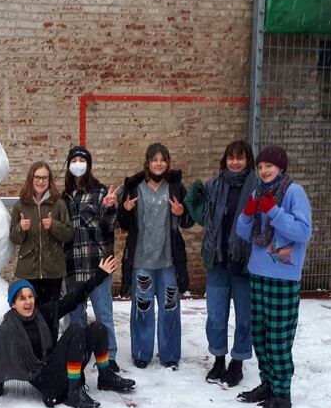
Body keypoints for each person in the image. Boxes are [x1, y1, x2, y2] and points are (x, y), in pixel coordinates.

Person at [0, 256, 135, 408]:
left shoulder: (42, 314)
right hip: (47, 383)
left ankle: (105, 377)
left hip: (58, 367)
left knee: (98, 328)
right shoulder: (8, 328)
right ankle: (73, 392)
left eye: (30, 297)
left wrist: (99, 275)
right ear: (13, 304)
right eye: (21, 299)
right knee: (75, 330)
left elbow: (73, 298)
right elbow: (1, 359)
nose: (28, 302)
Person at [235, 145, 312, 408]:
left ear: (281, 167)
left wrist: (274, 212)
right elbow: (244, 232)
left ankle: (282, 393)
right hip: (258, 272)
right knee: (261, 334)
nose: (264, 171)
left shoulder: (293, 192)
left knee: (278, 337)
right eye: (260, 167)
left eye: (269, 166)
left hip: (283, 273)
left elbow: (303, 231)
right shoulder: (259, 192)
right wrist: (247, 213)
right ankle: (267, 383)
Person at [184, 140, 256, 387]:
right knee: (215, 316)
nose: (235, 162)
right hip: (217, 260)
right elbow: (202, 217)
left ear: (248, 160)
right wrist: (192, 199)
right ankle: (218, 359)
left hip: (244, 263)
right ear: (225, 160)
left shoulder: (256, 187)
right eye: (231, 157)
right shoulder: (213, 185)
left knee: (245, 318)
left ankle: (237, 363)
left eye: (241, 157)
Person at [118, 143, 195, 370]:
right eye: (154, 159)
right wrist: (125, 209)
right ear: (147, 162)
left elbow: (189, 220)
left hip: (168, 261)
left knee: (170, 306)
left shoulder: (176, 187)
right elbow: (122, 224)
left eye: (163, 159)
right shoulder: (134, 188)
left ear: (168, 163)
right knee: (142, 306)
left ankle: (170, 354)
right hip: (141, 260)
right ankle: (142, 353)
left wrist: (181, 213)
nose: (158, 163)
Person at [62, 146, 121, 371]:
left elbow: (110, 226)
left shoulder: (100, 192)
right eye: (74, 160)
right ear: (68, 165)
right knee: (76, 317)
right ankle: (80, 353)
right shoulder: (64, 197)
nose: (78, 163)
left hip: (98, 266)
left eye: (82, 160)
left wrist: (109, 207)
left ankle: (109, 358)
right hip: (73, 267)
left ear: (88, 164)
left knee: (103, 314)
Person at [10, 161, 73, 341]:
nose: (41, 181)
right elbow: (15, 238)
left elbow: (68, 234)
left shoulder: (58, 204)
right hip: (28, 269)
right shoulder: (21, 206)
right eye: (37, 177)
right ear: (31, 179)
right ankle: (30, 350)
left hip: (52, 270)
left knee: (50, 314)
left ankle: (50, 350)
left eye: (44, 177)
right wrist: (21, 227)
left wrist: (53, 225)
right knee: (28, 313)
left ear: (49, 180)